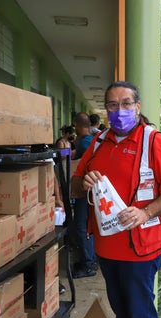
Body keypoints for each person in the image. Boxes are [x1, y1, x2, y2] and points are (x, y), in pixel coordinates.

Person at [72, 81, 161, 318]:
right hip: (107, 249)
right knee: (122, 315)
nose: (119, 110)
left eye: (125, 103)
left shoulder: (153, 141)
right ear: (106, 110)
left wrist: (144, 211)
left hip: (141, 249)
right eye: (112, 104)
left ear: (137, 107)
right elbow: (74, 186)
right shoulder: (98, 143)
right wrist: (82, 184)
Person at [71, 112, 97, 278]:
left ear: (78, 126)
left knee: (83, 226)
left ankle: (88, 264)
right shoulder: (89, 141)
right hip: (84, 190)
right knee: (81, 225)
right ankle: (87, 260)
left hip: (85, 191)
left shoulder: (87, 142)